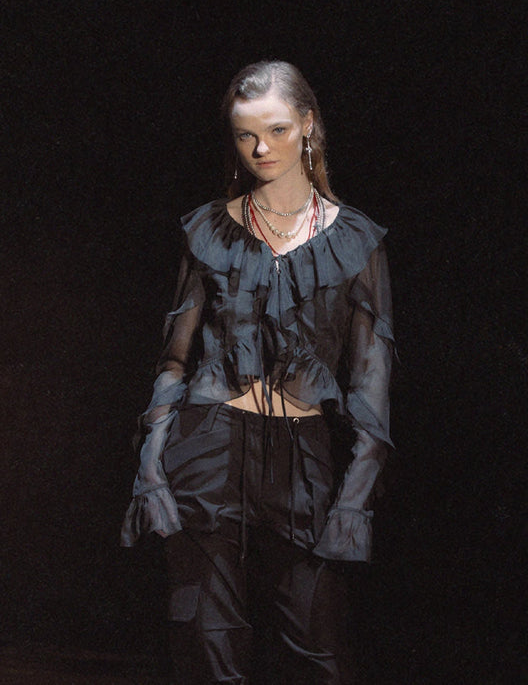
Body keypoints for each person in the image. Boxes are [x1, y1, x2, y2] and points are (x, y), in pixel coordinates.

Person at [121, 60, 394, 684]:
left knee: (319, 655)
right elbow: (174, 360)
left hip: (304, 460)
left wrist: (353, 500)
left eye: (276, 130)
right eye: (246, 135)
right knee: (207, 650)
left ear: (308, 125)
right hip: (208, 450)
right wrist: (152, 469)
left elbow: (371, 386)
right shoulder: (209, 229)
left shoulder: (357, 241)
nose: (261, 149)